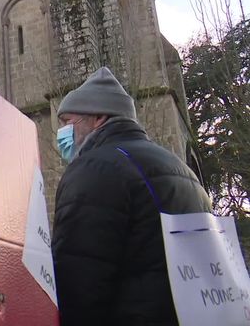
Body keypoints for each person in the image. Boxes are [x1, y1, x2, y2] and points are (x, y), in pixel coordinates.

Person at [51, 67, 211, 325]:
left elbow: (78, 281)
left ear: (98, 117)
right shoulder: (180, 168)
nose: (63, 133)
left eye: (68, 122)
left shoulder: (95, 167)